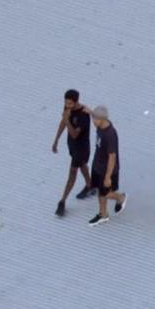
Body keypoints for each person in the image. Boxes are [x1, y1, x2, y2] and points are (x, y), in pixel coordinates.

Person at [52, 89, 96, 217]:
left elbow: (75, 134)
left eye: (70, 103)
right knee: (83, 166)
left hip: (81, 148)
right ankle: (90, 185)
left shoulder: (83, 115)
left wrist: (66, 120)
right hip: (72, 146)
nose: (67, 105)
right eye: (66, 103)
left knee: (72, 174)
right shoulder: (67, 109)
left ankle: (62, 202)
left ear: (76, 102)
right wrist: (56, 140)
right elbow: (63, 123)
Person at [88, 105, 128, 226]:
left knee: (105, 193)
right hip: (98, 165)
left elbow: (112, 157)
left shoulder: (110, 135)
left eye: (94, 119)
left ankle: (120, 198)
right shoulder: (100, 125)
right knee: (100, 192)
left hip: (107, 169)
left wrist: (108, 177)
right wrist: (88, 110)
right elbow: (95, 115)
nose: (93, 122)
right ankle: (103, 214)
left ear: (102, 119)